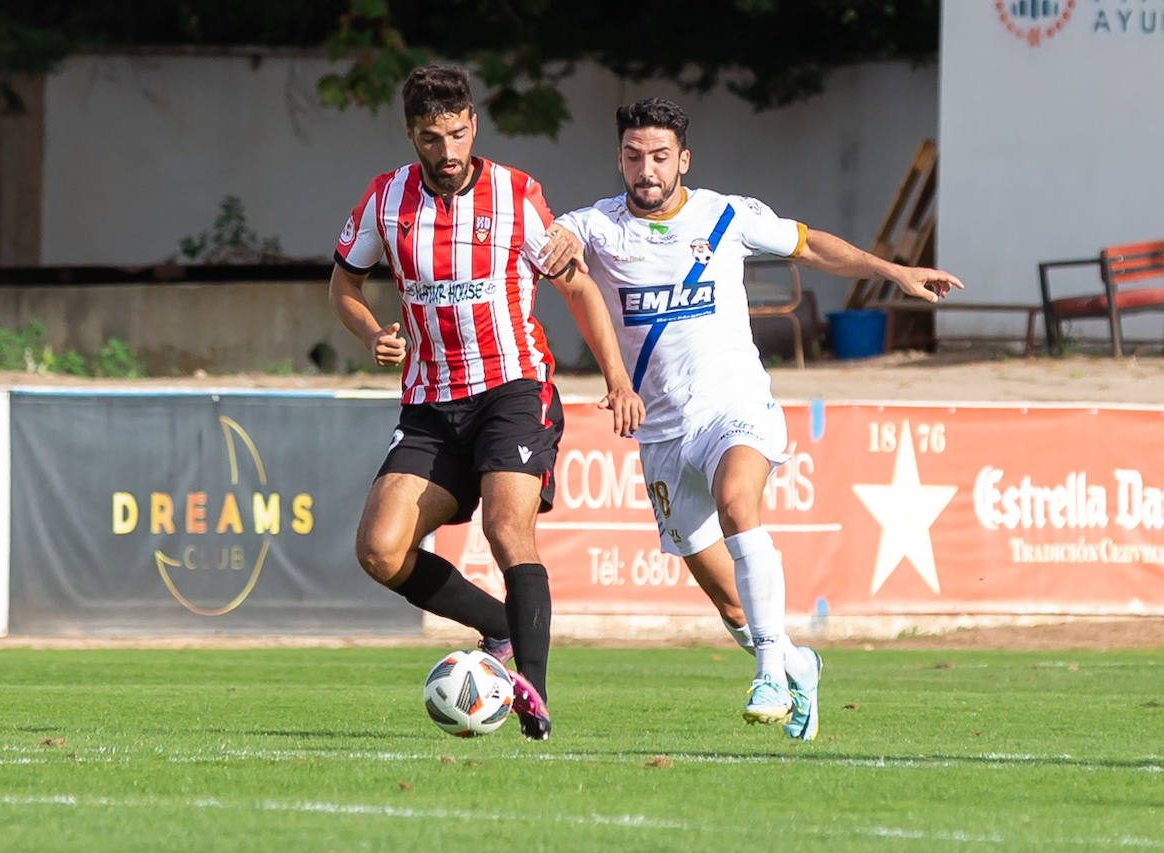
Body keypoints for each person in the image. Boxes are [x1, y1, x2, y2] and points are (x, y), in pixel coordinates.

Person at [554, 98, 962, 740]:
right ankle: (798, 662)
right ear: (620, 160)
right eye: (634, 157)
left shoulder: (726, 215)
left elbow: (812, 246)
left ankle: (770, 676)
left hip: (733, 405)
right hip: (660, 431)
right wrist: (558, 242)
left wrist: (894, 271)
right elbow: (561, 247)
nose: (646, 170)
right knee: (730, 603)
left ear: (683, 159)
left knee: (739, 502)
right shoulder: (598, 226)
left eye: (660, 156)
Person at [330, 65, 643, 741]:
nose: (447, 151)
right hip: (430, 405)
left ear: (473, 122)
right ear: (410, 134)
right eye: (431, 137)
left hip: (513, 389)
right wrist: (371, 332)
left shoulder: (516, 194)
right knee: (380, 551)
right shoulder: (385, 199)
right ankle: (499, 627)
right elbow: (343, 286)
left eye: (458, 132)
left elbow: (580, 289)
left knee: (507, 531)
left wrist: (616, 378)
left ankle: (532, 692)